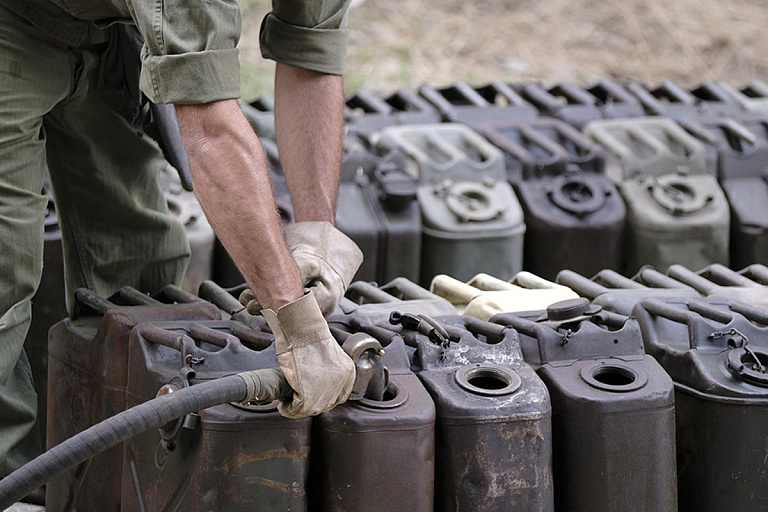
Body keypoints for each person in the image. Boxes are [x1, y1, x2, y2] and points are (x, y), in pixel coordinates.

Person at [0, 0, 362, 481]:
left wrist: (316, 230)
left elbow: (310, 51)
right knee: (5, 277)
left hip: (113, 30)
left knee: (141, 279)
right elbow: (210, 130)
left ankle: (112, 486)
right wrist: (294, 320)